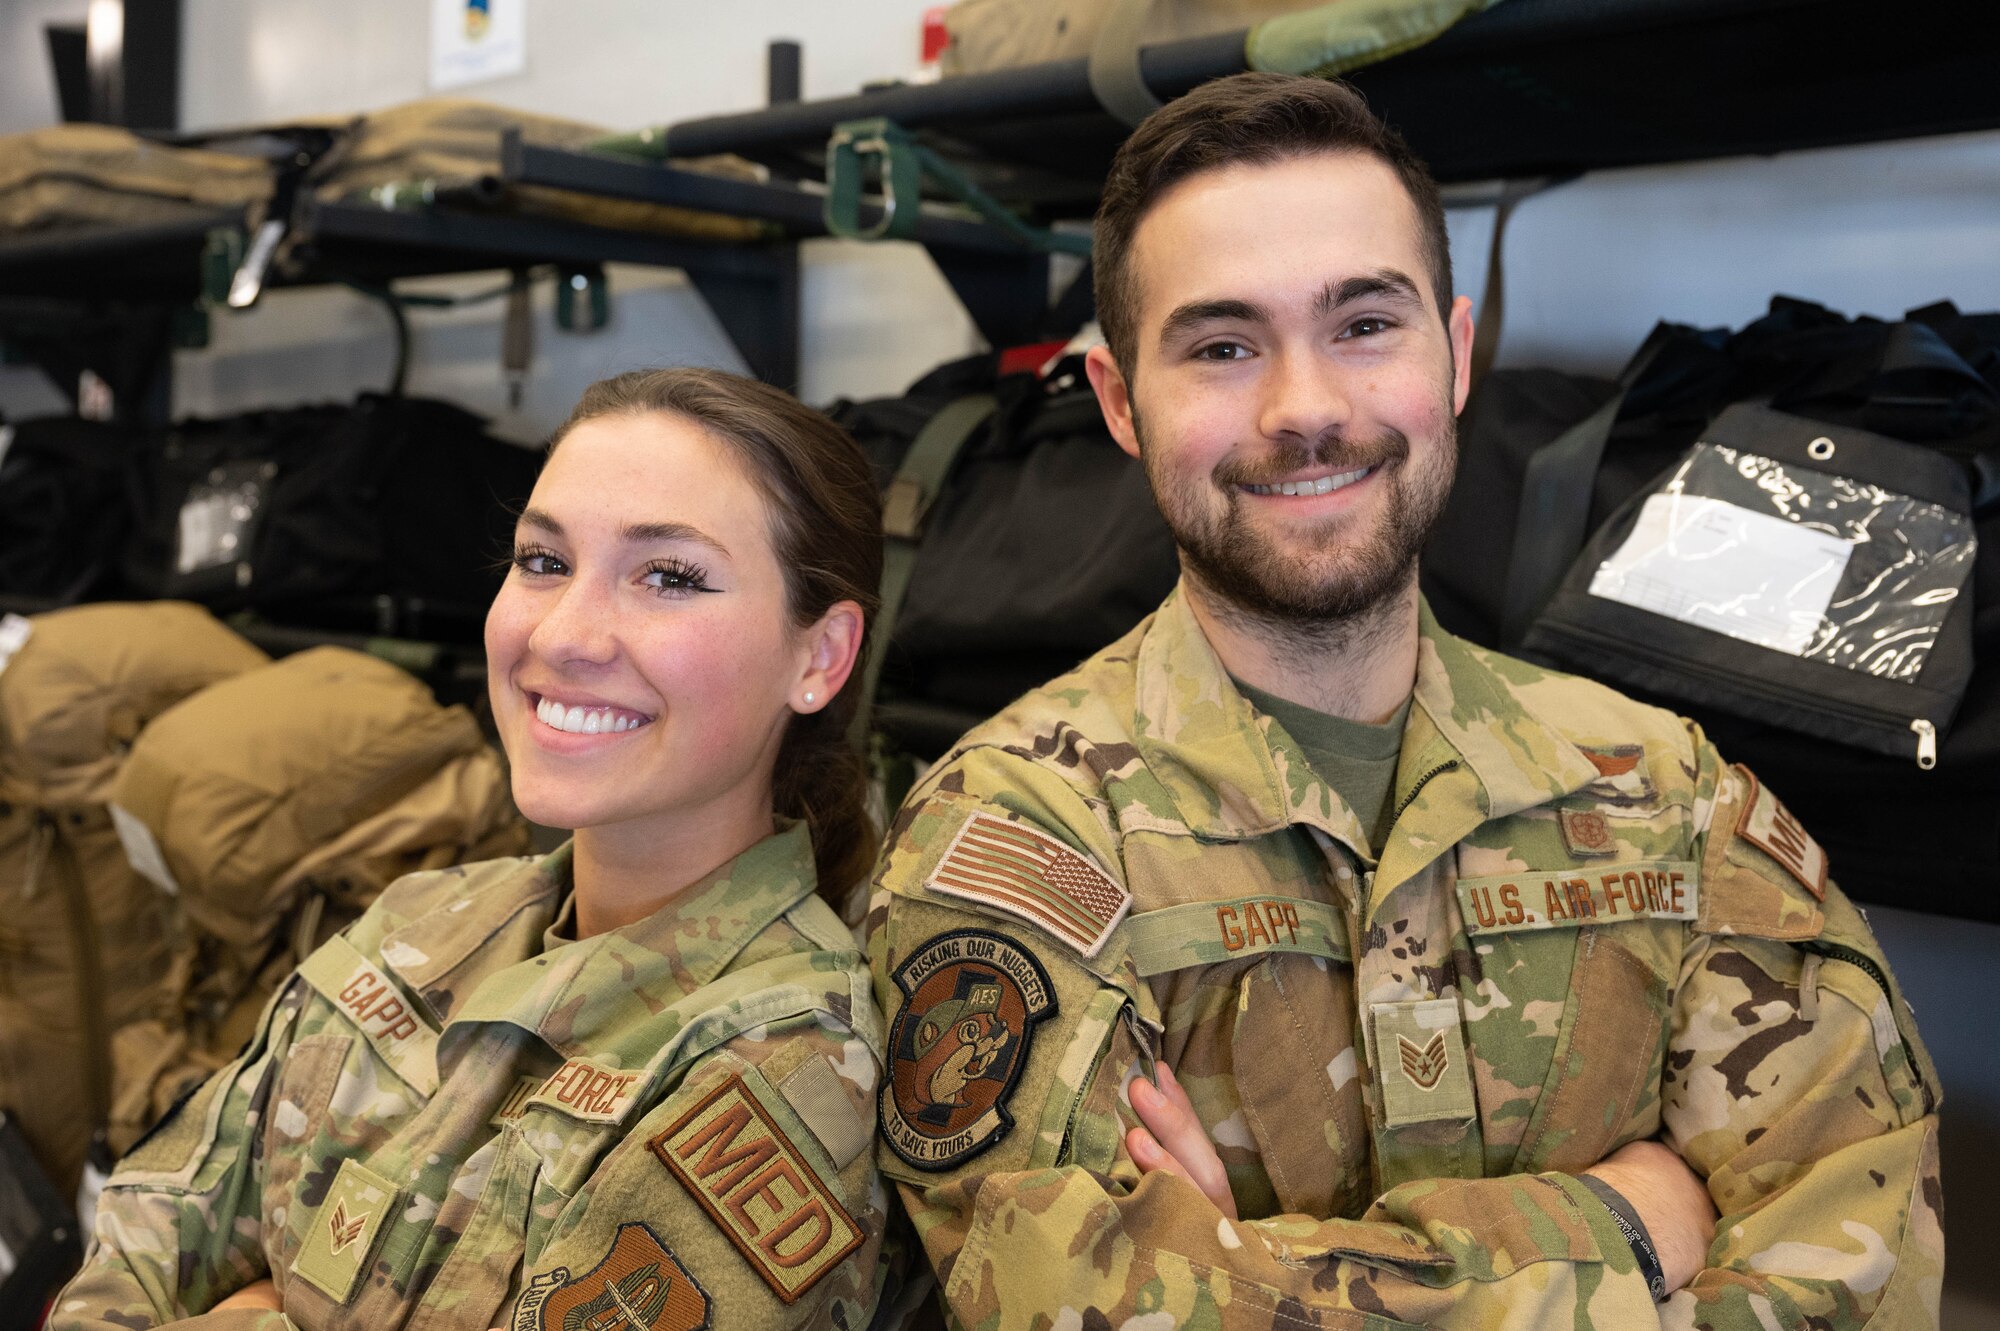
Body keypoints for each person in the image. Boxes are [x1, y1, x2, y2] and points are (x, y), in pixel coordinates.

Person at [866, 72, 1943, 1329]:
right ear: (1118, 403)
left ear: (1457, 352)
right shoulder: (1015, 837)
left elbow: (1861, 1254)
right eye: (1220, 346)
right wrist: (1622, 1227)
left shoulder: (1664, 792)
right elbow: (1071, 1303)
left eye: (1364, 324)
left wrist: (1256, 1268)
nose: (1305, 408)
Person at [54, 368, 893, 1330]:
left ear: (819, 657)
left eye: (667, 576)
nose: (566, 632)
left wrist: (254, 1309)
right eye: (543, 560)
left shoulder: (785, 1067)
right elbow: (139, 1236)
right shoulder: (423, 921)